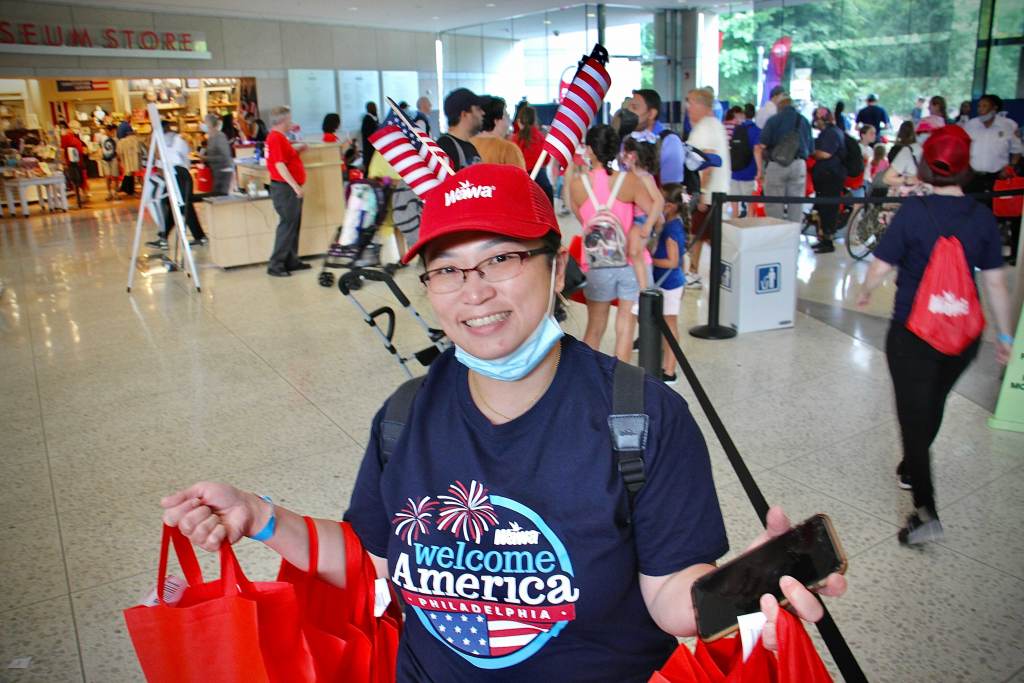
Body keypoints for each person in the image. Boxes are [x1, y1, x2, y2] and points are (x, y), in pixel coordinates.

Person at [161, 162, 846, 681]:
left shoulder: (640, 416)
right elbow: (374, 560)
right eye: (447, 270)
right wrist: (259, 515)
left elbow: (671, 598)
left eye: (502, 258)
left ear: (555, 267)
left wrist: (758, 587)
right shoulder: (405, 416)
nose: (475, 291)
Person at [854, 124, 1013, 545]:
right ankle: (911, 467)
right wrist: (1006, 338)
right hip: (963, 335)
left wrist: (867, 291)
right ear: (967, 168)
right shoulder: (981, 217)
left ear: (927, 166)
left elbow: (881, 266)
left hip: (913, 333)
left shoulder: (913, 212)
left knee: (913, 416)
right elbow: (996, 283)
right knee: (934, 401)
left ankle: (926, 513)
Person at [568, 125, 661, 361]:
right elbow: (655, 214)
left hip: (597, 263)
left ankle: (590, 383)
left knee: (595, 326)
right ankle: (621, 382)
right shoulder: (629, 181)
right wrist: (643, 230)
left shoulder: (577, 185)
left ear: (589, 150)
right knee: (625, 327)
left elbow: (584, 221)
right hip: (629, 261)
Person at [685, 87, 731, 284]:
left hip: (708, 193)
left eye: (691, 102)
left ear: (702, 105)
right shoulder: (714, 125)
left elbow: (708, 165)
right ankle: (721, 269)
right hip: (716, 193)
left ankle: (694, 273)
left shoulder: (705, 128)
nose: (688, 107)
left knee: (697, 234)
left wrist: (701, 193)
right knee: (708, 235)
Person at [145, 120, 207, 248]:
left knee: (180, 207)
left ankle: (164, 238)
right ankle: (166, 237)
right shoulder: (177, 139)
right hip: (180, 174)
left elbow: (164, 160)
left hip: (177, 175)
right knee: (179, 207)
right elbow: (183, 157)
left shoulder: (165, 141)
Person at [265, 106, 310, 277]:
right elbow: (279, 165)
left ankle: (291, 260)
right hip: (285, 189)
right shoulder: (276, 138)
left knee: (293, 224)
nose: (291, 122)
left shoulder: (279, 138)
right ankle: (275, 264)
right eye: (289, 119)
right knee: (287, 225)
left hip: (287, 188)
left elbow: (284, 157)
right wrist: (295, 186)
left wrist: (297, 149)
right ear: (283, 121)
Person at [757, 95, 813, 222]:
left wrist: (760, 170)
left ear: (779, 107)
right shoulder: (804, 121)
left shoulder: (773, 120)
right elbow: (810, 149)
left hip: (776, 165)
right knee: (796, 205)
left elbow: (762, 145)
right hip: (799, 164)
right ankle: (793, 237)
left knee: (774, 205)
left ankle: (777, 236)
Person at [653, 183, 686, 384]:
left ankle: (670, 370)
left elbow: (673, 262)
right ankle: (667, 365)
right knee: (667, 325)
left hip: (670, 283)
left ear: (671, 206)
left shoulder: (672, 229)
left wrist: (650, 259)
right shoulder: (672, 224)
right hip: (668, 283)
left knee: (670, 326)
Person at [963, 94, 1023, 198]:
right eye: (979, 106)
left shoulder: (1008, 125)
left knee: (995, 209)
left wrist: (1011, 166)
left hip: (998, 177)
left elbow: (1017, 150)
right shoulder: (970, 125)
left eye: (984, 106)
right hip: (972, 177)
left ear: (994, 108)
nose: (980, 109)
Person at [628, 89, 684, 185]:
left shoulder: (669, 141)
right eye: (628, 108)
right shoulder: (628, 138)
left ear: (651, 114)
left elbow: (671, 188)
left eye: (634, 108)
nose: (628, 113)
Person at [471, 96, 525, 169]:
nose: (509, 120)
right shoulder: (508, 149)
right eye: (506, 115)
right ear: (496, 121)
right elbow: (521, 179)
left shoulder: (466, 145)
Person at [513, 104, 552, 202]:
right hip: (541, 180)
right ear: (535, 121)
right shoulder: (540, 137)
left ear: (519, 122)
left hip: (521, 180)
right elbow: (547, 159)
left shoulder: (514, 139)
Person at [438, 88, 483, 171]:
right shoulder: (445, 146)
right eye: (477, 109)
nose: (482, 113)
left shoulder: (469, 146)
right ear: (464, 114)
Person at [730, 108, 761, 219]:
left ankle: (734, 222)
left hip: (734, 171)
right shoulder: (756, 130)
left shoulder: (737, 129)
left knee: (734, 202)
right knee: (750, 204)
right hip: (749, 171)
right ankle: (749, 224)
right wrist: (759, 169)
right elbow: (757, 149)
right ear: (754, 115)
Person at [201, 114, 234, 196]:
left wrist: (206, 158)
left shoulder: (219, 136)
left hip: (224, 171)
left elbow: (224, 156)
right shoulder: (211, 137)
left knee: (219, 197)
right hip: (216, 171)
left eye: (205, 122)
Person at [882, 121, 921, 188]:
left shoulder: (895, 149)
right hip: (915, 185)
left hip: (897, 185)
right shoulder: (919, 148)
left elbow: (890, 167)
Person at [59, 123, 88, 207]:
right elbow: (62, 150)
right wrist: (64, 162)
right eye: (76, 128)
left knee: (80, 179)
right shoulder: (65, 137)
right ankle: (78, 198)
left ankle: (82, 196)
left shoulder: (75, 137)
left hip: (79, 162)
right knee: (75, 179)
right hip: (71, 163)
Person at [95, 123, 119, 200]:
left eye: (108, 130)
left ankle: (115, 193)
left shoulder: (115, 139)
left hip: (113, 159)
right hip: (105, 159)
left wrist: (118, 159)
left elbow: (117, 150)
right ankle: (109, 193)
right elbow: (99, 147)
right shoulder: (102, 138)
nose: (106, 131)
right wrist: (100, 155)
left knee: (115, 176)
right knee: (108, 177)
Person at [116, 125, 141, 197]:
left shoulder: (121, 141)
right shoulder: (137, 140)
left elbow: (119, 152)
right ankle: (129, 190)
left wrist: (120, 160)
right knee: (131, 174)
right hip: (135, 160)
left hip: (125, 160)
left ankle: (126, 189)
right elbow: (140, 151)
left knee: (128, 173)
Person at [361, 101, 379, 172]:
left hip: (374, 146)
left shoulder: (374, 118)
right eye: (374, 107)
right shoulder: (367, 119)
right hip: (369, 147)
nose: (376, 109)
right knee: (369, 164)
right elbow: (368, 133)